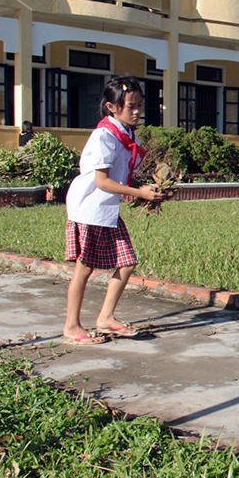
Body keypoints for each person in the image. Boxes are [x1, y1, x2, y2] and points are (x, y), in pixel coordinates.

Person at [62, 74, 163, 345]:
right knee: (84, 269)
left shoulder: (126, 134)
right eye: (130, 106)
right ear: (111, 107)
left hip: (106, 208)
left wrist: (145, 192)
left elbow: (119, 178)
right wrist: (139, 192)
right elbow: (102, 181)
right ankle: (71, 326)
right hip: (90, 209)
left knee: (127, 262)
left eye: (139, 105)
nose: (137, 111)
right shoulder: (104, 136)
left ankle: (105, 318)